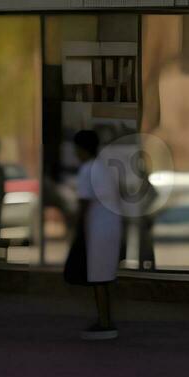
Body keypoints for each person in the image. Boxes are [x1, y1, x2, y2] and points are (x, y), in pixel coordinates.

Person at [68, 130, 121, 340]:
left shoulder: (87, 170)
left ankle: (105, 322)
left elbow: (84, 203)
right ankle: (105, 318)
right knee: (103, 276)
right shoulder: (104, 168)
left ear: (81, 149)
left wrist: (75, 228)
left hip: (97, 230)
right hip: (111, 227)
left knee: (98, 277)